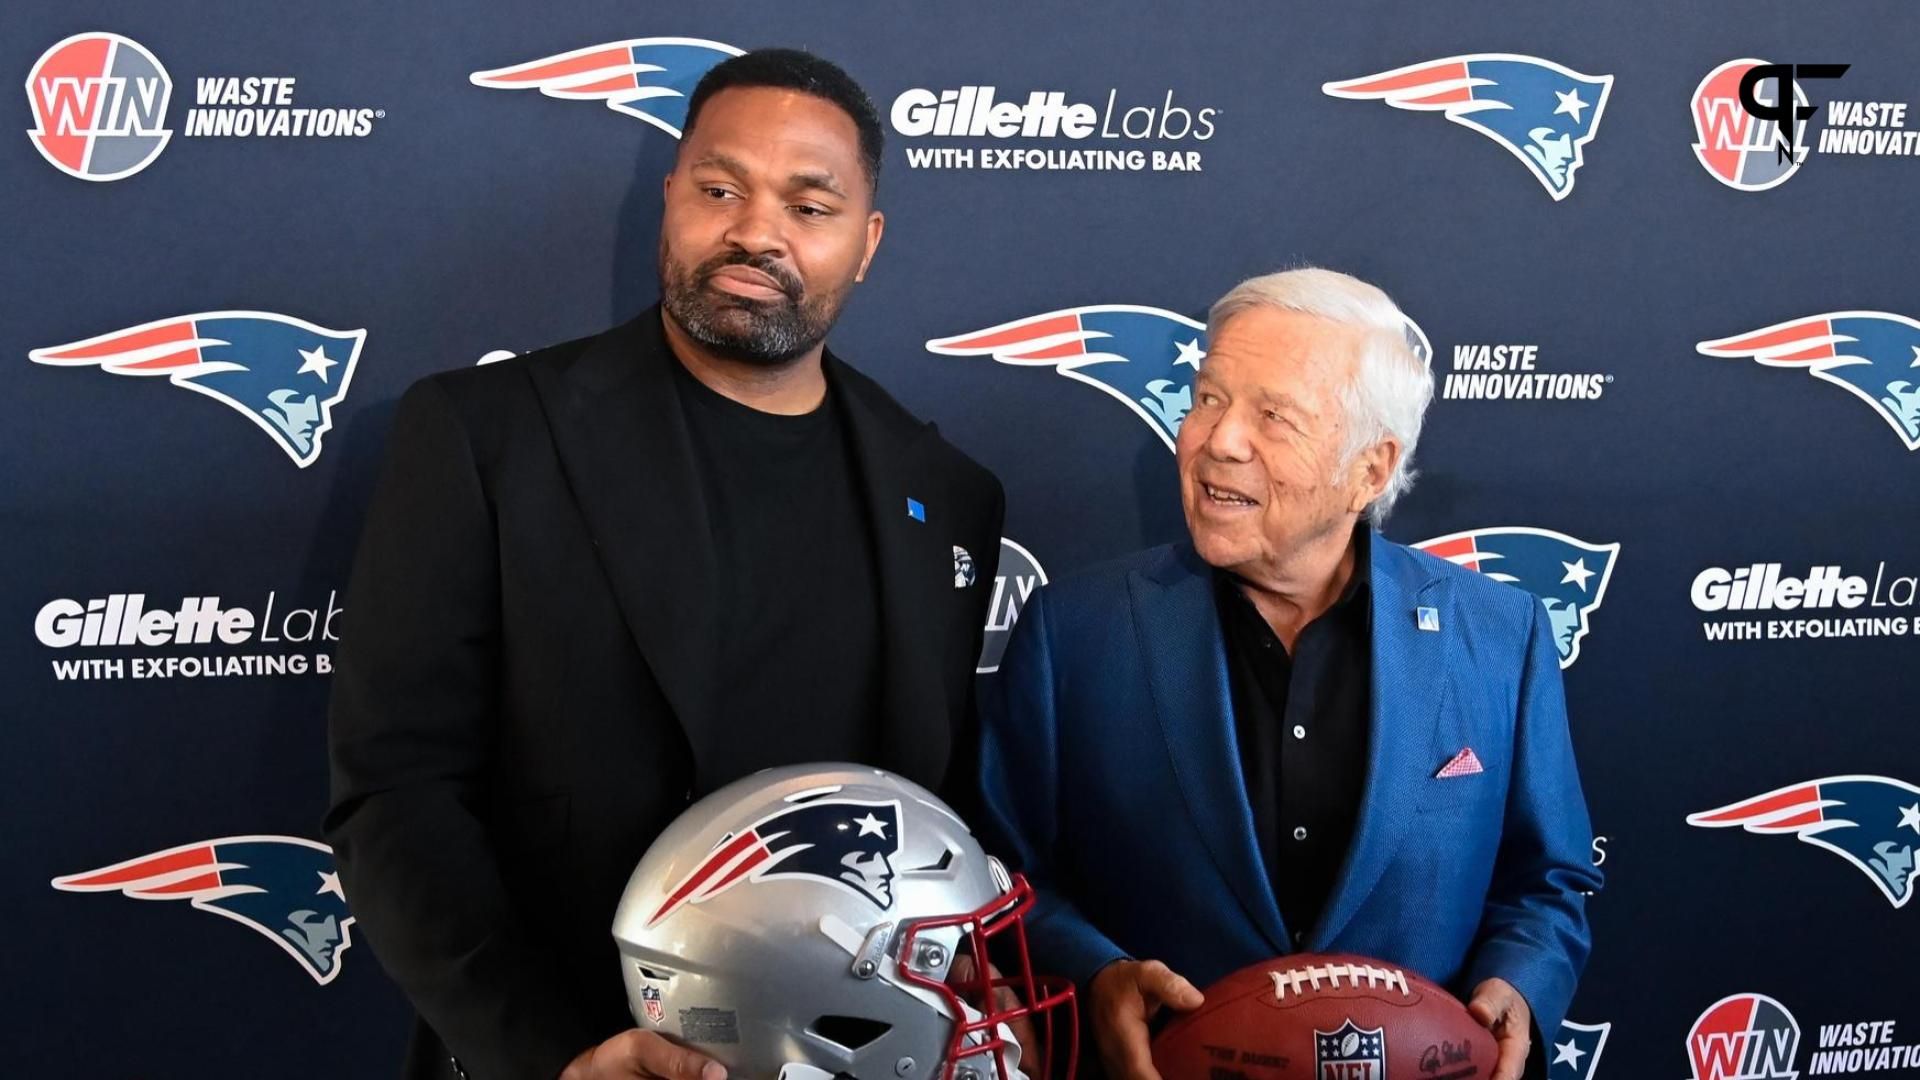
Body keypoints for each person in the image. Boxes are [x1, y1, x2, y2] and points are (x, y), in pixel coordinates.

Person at [326, 49, 1005, 1080]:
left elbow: (937, 811)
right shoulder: (485, 437)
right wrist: (559, 1058)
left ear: (866, 245)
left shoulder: (947, 492)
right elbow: (395, 791)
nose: (755, 232)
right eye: (719, 188)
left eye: (809, 206)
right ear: (671, 200)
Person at [978, 268, 1600, 1080]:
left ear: (1371, 471)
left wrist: (1517, 988)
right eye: (1207, 399)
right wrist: (1097, 976)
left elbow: (1547, 879)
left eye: (1273, 416)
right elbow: (1004, 879)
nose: (1219, 440)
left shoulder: (1501, 635)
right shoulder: (1076, 632)